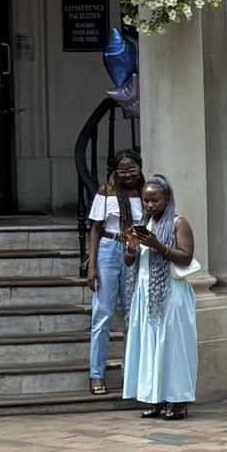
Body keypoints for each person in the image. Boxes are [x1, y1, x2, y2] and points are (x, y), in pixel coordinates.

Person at [121, 174, 197, 420]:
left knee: (173, 347)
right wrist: (132, 246)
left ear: (167, 199)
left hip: (170, 293)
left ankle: (180, 400)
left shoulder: (178, 223)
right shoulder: (144, 224)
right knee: (150, 348)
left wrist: (157, 245)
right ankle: (155, 398)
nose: (150, 205)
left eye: (155, 200)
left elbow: (185, 257)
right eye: (146, 200)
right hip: (145, 294)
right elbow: (129, 262)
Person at [83, 148, 143, 395]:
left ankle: (129, 373)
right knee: (103, 314)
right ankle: (96, 374)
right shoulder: (105, 192)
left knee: (132, 316)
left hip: (135, 250)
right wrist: (91, 265)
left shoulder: (145, 193)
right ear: (115, 172)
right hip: (109, 248)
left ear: (139, 168)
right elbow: (96, 228)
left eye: (132, 170)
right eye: (122, 171)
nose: (127, 175)